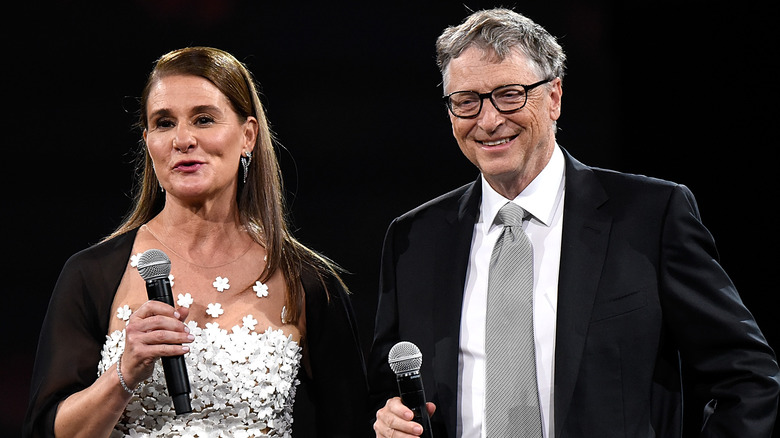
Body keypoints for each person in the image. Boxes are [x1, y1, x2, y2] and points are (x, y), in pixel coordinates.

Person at [368, 8, 779, 438]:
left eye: (509, 94)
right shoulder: (413, 240)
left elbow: (745, 375)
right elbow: (385, 391)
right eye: (467, 101)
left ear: (554, 97)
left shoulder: (650, 216)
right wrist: (388, 419)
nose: (488, 121)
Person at [24, 46, 367, 438]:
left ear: (248, 136)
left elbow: (351, 425)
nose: (183, 139)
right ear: (148, 141)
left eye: (204, 119)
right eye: (164, 123)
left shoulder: (308, 282)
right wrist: (125, 371)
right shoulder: (92, 274)